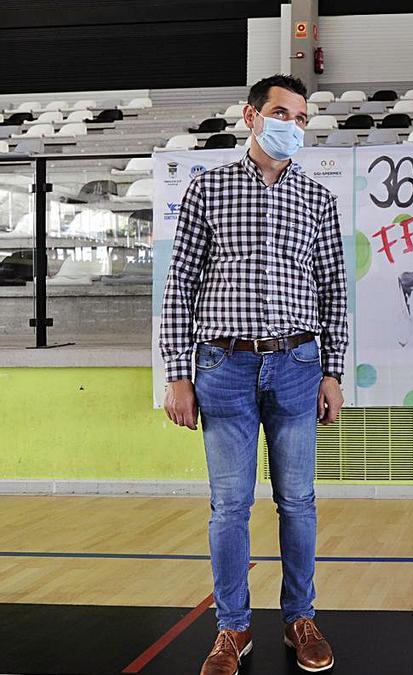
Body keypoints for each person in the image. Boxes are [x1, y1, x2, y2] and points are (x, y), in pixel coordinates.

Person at [160, 73, 346, 675]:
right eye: (282, 113)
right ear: (251, 116)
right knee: (229, 505)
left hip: (297, 363)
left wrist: (333, 372)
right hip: (222, 365)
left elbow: (334, 293)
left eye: (301, 117)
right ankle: (232, 630)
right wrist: (176, 374)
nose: (294, 125)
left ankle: (300, 618)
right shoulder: (205, 190)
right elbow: (180, 286)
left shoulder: (317, 199)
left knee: (297, 502)